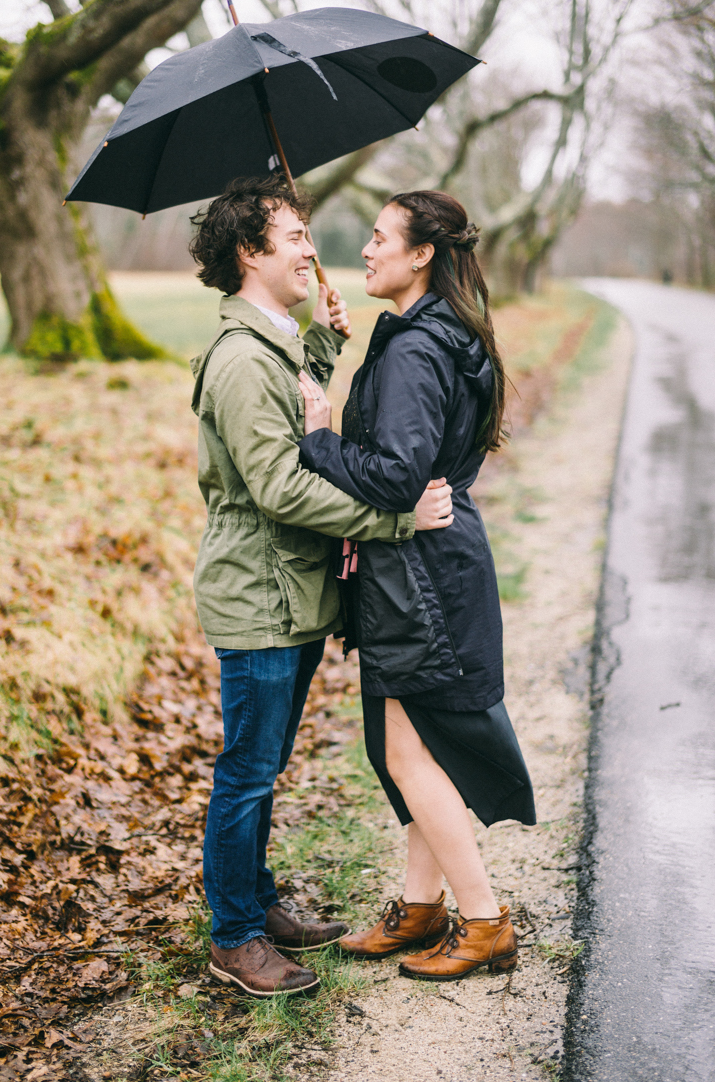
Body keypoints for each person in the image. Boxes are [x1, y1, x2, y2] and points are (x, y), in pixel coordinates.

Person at [188, 177, 454, 998]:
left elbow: (295, 406)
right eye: (293, 234)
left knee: (263, 766)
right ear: (248, 251)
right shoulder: (238, 359)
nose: (311, 248)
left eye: (307, 233)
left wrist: (329, 343)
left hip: (292, 594)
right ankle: (233, 936)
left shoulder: (273, 340)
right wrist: (397, 518)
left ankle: (259, 903)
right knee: (246, 770)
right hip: (259, 598)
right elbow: (279, 485)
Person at [297, 190, 536, 983]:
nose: (364, 251)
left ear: (421, 253)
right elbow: (416, 464)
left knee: (407, 754)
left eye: (377, 238)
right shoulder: (445, 332)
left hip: (420, 580)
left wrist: (323, 439)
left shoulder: (413, 347)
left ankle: (485, 921)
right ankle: (421, 906)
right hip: (435, 566)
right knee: (422, 749)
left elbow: (398, 476)